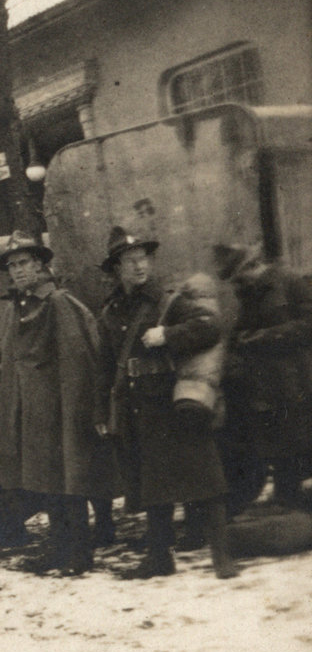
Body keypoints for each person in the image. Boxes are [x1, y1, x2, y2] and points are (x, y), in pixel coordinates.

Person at [96, 227, 236, 579]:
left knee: (206, 479)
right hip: (138, 406)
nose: (139, 266)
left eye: (143, 258)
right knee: (152, 485)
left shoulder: (168, 300)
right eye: (130, 261)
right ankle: (159, 558)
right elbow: (103, 363)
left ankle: (222, 556)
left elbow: (210, 327)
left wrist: (168, 335)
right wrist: (101, 409)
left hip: (177, 403)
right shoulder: (111, 311)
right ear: (116, 268)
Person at [0, 232, 113, 576]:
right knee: (47, 483)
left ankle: (79, 553)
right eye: (12, 265)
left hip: (60, 411)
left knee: (70, 481)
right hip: (31, 413)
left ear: (40, 265)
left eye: (24, 263)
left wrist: (75, 412)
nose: (17, 271)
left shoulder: (58, 303)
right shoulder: (19, 308)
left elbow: (77, 360)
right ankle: (60, 549)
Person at [215, 242, 312, 511]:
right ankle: (292, 509)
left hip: (298, 384)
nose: (237, 284)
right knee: (283, 454)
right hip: (267, 391)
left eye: (239, 277)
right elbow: (238, 338)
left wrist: (264, 338)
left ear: (252, 266)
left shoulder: (290, 282)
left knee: (301, 447)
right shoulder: (247, 296)